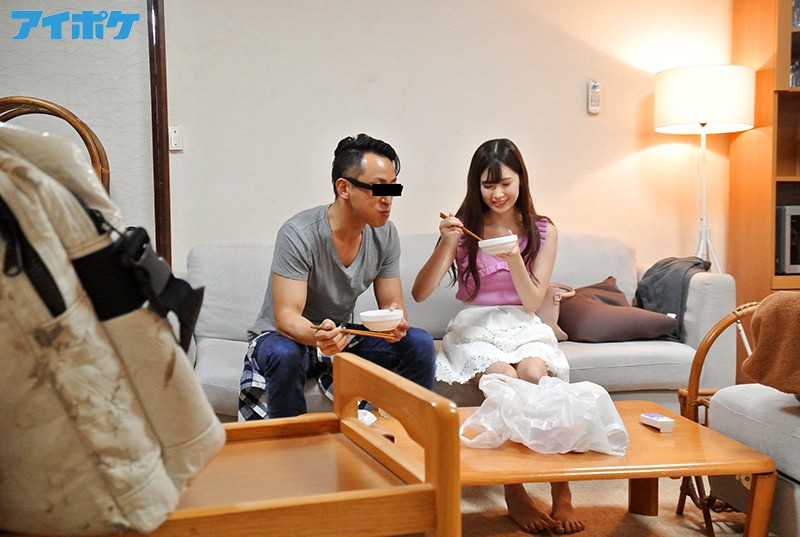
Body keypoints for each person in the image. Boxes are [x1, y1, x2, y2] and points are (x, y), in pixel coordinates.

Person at [412, 138, 584, 534]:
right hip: (476, 324)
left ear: (521, 180)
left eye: (505, 183)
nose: (498, 194)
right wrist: (448, 242)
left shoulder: (543, 230)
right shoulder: (463, 228)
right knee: (504, 377)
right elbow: (420, 293)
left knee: (535, 374)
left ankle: (562, 491)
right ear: (476, 186)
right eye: (488, 185)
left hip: (524, 322)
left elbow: (532, 302)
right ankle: (515, 492)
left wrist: (514, 260)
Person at [239, 133, 436, 421]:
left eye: (393, 188)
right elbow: (286, 317)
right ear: (344, 188)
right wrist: (321, 336)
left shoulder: (385, 234)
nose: (388, 200)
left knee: (418, 342)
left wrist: (395, 322)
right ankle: (290, 440)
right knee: (283, 354)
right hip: (287, 338)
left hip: (341, 335)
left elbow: (393, 304)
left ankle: (408, 431)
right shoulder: (299, 234)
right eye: (379, 188)